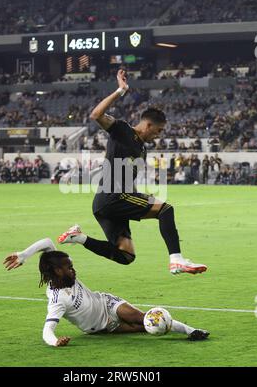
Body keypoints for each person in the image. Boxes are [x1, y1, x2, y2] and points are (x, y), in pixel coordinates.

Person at [58, 69, 207, 275]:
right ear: (147, 125)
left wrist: (140, 196)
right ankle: (176, 260)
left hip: (109, 202)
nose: (159, 135)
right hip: (113, 198)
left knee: (126, 256)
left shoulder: (142, 149)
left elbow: (131, 177)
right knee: (165, 209)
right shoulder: (122, 129)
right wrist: (120, 90)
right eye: (159, 130)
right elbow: (95, 115)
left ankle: (78, 237)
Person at [3, 238, 210, 347]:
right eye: (69, 267)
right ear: (57, 271)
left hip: (107, 303)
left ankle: (192, 331)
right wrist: (55, 341)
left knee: (146, 319)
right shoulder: (58, 300)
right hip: (102, 326)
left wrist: (24, 254)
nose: (73, 269)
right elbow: (47, 331)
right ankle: (182, 331)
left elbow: (47, 242)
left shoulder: (61, 271)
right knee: (141, 329)